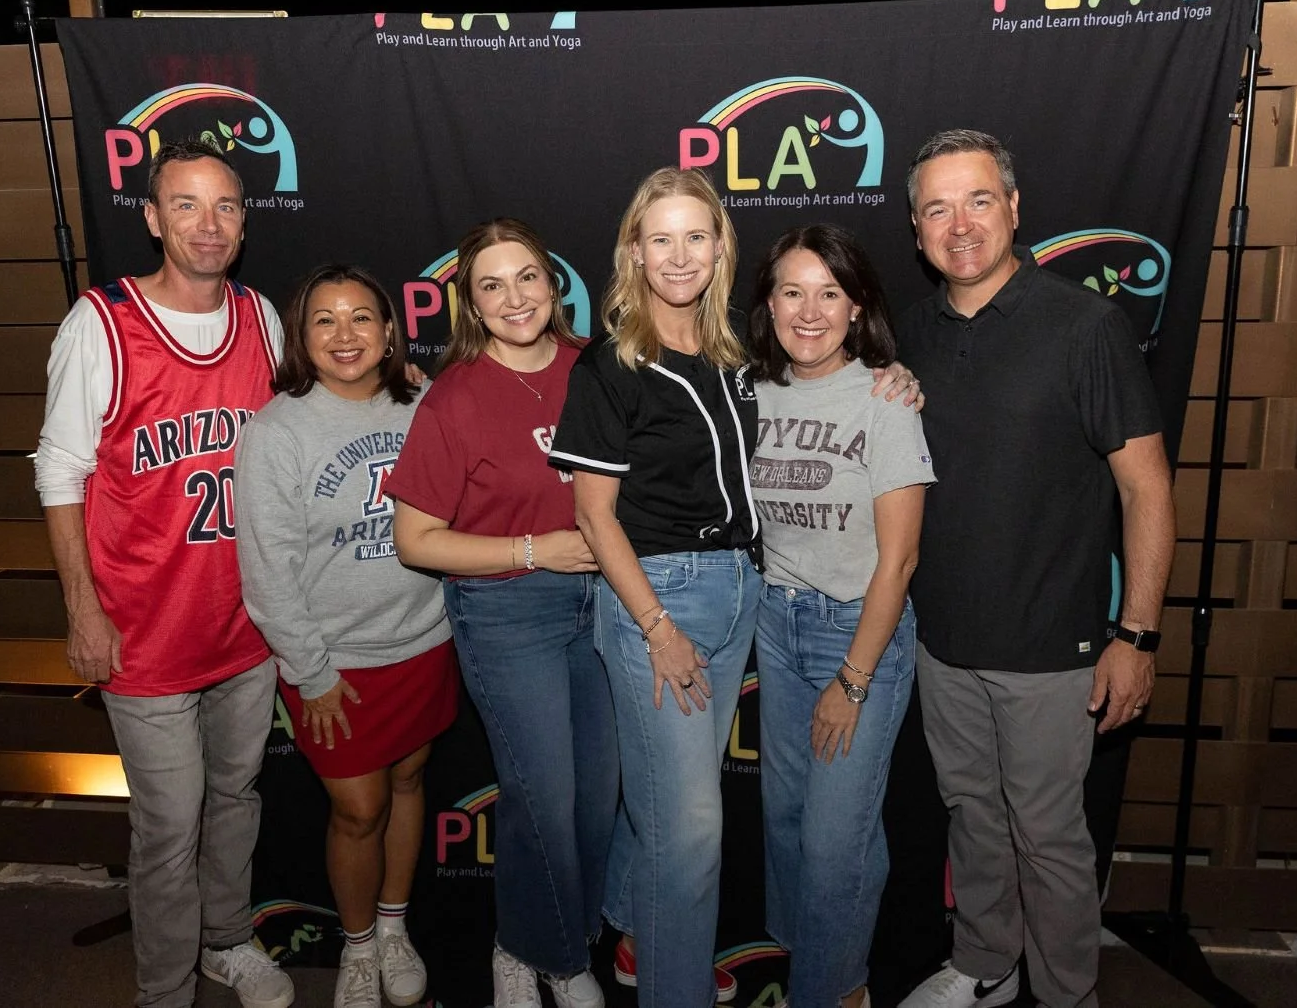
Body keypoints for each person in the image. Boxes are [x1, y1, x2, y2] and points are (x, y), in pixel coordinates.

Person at [551, 168, 921, 1008]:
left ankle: (638, 937)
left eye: (696, 236)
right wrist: (656, 626)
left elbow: (840, 389)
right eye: (660, 238)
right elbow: (595, 517)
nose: (679, 255)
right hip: (662, 602)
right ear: (634, 253)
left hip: (745, 595)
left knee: (673, 802)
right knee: (689, 826)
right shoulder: (614, 363)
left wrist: (897, 378)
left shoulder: (738, 359)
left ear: (720, 248)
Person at [893, 130, 1176, 1008]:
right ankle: (985, 966)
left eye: (979, 200)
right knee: (973, 818)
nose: (961, 223)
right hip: (941, 642)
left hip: (1055, 649)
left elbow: (1148, 490)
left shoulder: (1084, 326)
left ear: (1014, 210)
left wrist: (1137, 635)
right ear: (916, 229)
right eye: (938, 208)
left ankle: (1065, 995)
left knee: (1050, 838)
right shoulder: (909, 334)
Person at [35, 139, 294, 1008]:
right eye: (184, 204)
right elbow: (58, 473)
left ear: (245, 221)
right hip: (142, 630)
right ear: (151, 218)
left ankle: (225, 939)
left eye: (224, 206)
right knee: (167, 825)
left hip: (245, 623)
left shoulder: (261, 319)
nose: (207, 224)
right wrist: (82, 610)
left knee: (237, 796)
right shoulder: (101, 324)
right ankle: (163, 988)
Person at [387, 219, 615, 1008]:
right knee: (541, 796)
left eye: (526, 277)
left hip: (606, 606)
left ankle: (562, 940)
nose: (514, 297)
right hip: (508, 611)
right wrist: (534, 551)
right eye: (492, 284)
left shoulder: (601, 366)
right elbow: (415, 539)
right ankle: (528, 951)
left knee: (595, 798)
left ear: (553, 284)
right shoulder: (455, 396)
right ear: (472, 306)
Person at [235, 264, 459, 1008]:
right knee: (358, 810)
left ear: (390, 331)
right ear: (300, 338)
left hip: (423, 643)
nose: (344, 335)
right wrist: (312, 672)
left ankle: (394, 929)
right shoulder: (278, 431)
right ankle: (358, 947)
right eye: (324, 320)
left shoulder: (424, 403)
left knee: (408, 782)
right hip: (335, 664)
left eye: (361, 318)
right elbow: (266, 570)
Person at [747, 225, 936, 1008]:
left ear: (857, 308)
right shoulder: (748, 393)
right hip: (775, 624)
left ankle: (828, 992)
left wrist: (853, 679)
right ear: (769, 304)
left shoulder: (885, 399)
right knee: (791, 820)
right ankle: (827, 967)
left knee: (835, 841)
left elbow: (899, 561)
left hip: (857, 634)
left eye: (830, 292)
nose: (811, 310)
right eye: (793, 290)